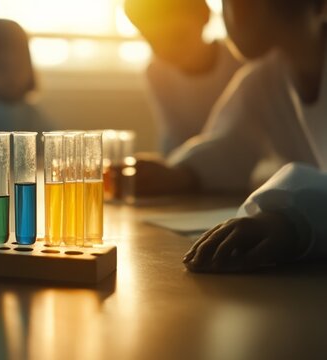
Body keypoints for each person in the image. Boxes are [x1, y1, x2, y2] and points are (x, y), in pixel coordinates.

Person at [181, 0, 327, 272]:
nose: (228, 13)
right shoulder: (264, 78)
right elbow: (227, 147)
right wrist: (177, 173)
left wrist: (294, 218)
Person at [125, 0, 242, 155]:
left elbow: (240, 134)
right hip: (179, 160)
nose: (168, 48)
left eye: (178, 35)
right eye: (154, 40)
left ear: (204, 17)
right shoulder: (157, 72)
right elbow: (175, 133)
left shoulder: (238, 62)